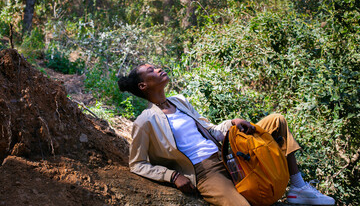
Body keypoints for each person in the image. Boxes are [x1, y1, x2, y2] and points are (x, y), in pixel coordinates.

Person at [118, 64, 335, 206]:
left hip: (226, 151)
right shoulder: (145, 121)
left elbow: (209, 129)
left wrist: (232, 123)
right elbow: (137, 164)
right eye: (151, 70)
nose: (159, 69)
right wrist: (173, 176)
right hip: (204, 172)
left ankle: (298, 186)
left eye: (156, 67)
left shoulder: (179, 101)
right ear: (143, 85)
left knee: (276, 121)